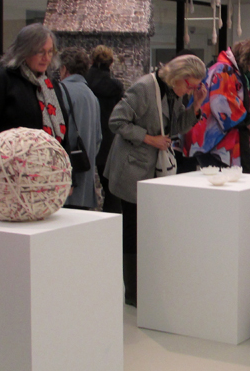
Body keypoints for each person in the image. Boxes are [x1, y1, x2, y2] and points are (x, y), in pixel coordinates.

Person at [105, 54, 207, 306]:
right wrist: (149, 139)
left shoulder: (172, 93)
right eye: (191, 85)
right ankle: (133, 294)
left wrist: (196, 105)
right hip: (132, 171)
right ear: (179, 78)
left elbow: (174, 127)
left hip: (152, 171)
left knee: (150, 229)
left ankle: (148, 284)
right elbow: (116, 121)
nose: (191, 90)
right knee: (132, 230)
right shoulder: (144, 88)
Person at [185, 39, 250, 172]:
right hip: (216, 146)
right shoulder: (223, 70)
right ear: (249, 60)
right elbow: (221, 102)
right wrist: (248, 119)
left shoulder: (243, 74)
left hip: (232, 143)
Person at [0, 24, 66, 143]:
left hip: (51, 159)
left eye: (49, 52)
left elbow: (64, 133)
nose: (47, 58)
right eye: (40, 52)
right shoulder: (0, 81)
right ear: (24, 51)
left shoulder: (50, 85)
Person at [58, 47, 102, 209]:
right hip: (85, 173)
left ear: (64, 68)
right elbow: (98, 138)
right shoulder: (91, 96)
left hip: (65, 181)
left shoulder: (59, 92)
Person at [85, 45, 124, 212]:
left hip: (85, 136)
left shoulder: (83, 82)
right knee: (111, 190)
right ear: (111, 63)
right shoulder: (115, 86)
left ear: (91, 61)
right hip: (108, 138)